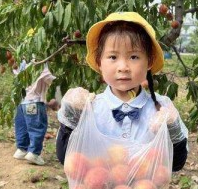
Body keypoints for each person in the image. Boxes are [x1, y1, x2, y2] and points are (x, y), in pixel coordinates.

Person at [56, 12, 188, 172]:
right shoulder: (90, 108)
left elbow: (176, 164)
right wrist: (69, 123)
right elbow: (65, 158)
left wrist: (172, 131)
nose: (123, 67)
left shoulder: (161, 109)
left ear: (149, 62)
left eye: (133, 57)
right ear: (99, 62)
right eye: (112, 57)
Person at [13, 64, 56, 165]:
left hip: (21, 103)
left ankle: (21, 150)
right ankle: (33, 153)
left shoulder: (21, 63)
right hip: (34, 102)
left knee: (22, 127)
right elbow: (49, 79)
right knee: (37, 127)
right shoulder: (40, 64)